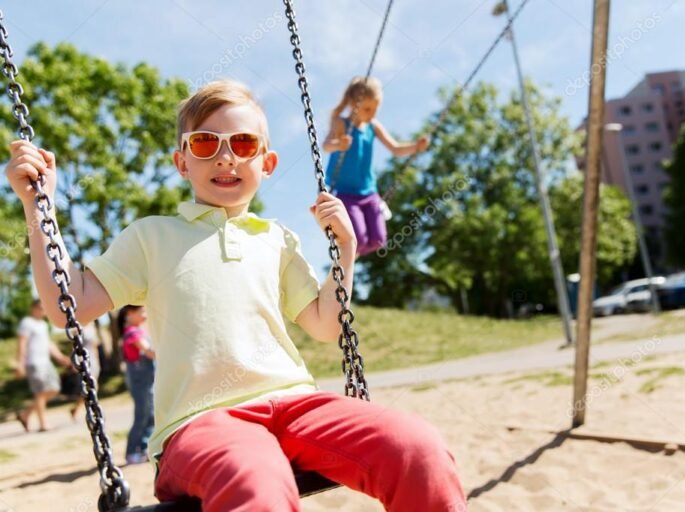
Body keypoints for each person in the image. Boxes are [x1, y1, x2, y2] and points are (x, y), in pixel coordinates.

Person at [5, 79, 466, 512]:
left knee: (417, 448)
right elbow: (69, 306)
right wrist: (38, 206)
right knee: (256, 480)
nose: (225, 157)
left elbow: (327, 325)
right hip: (202, 422)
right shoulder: (151, 236)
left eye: (243, 144)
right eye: (206, 143)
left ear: (267, 163)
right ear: (182, 162)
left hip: (297, 405)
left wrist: (345, 250)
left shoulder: (278, 239)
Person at [323, 76, 429, 257]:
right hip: (346, 193)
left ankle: (352, 254)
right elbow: (326, 146)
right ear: (353, 104)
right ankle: (348, 256)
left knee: (379, 240)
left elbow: (395, 148)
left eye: (376, 108)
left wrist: (416, 147)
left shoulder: (373, 126)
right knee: (359, 239)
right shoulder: (342, 124)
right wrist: (339, 144)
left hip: (369, 192)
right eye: (367, 109)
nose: (372, 113)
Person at [14, 299, 70, 432]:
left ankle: (25, 415)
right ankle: (43, 424)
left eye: (44, 308)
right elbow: (22, 343)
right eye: (40, 308)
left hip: (46, 362)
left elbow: (48, 344)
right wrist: (20, 364)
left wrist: (60, 357)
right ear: (33, 308)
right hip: (34, 362)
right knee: (41, 392)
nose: (43, 311)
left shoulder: (43, 324)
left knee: (54, 389)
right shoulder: (27, 323)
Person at [117, 305, 155, 465]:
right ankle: (132, 451)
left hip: (147, 380)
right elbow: (149, 352)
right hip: (140, 381)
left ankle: (145, 448)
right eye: (142, 311)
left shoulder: (139, 331)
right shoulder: (132, 333)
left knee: (151, 414)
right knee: (142, 415)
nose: (145, 314)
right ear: (130, 313)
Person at [69, 321, 101, 421]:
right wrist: (74, 363)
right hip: (82, 359)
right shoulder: (77, 326)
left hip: (92, 359)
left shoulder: (92, 326)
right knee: (89, 386)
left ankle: (77, 408)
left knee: (94, 386)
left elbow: (95, 346)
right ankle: (89, 409)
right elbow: (73, 345)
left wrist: (97, 361)